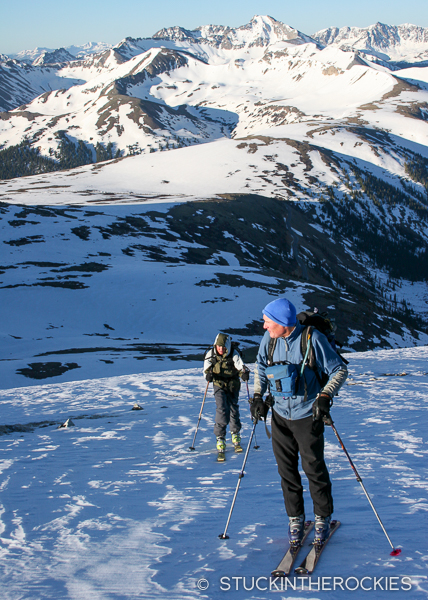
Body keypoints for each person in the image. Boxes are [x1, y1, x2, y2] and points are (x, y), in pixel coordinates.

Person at [250, 298, 348, 545]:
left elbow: (339, 370)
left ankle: (322, 518)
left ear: (283, 323)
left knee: (314, 469)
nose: (264, 327)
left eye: (267, 322)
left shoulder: (312, 339)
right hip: (280, 416)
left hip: (307, 415)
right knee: (286, 471)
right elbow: (261, 368)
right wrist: (258, 396)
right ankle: (295, 519)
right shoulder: (270, 341)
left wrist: (325, 395)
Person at [204, 333, 250, 454]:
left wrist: (244, 374)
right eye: (219, 346)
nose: (220, 349)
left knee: (233, 408)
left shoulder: (233, 353)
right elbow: (206, 369)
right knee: (222, 409)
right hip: (218, 384)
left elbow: (240, 367)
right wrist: (208, 375)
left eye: (223, 346)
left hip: (233, 384)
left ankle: (235, 433)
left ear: (227, 346)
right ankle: (220, 437)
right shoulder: (211, 354)